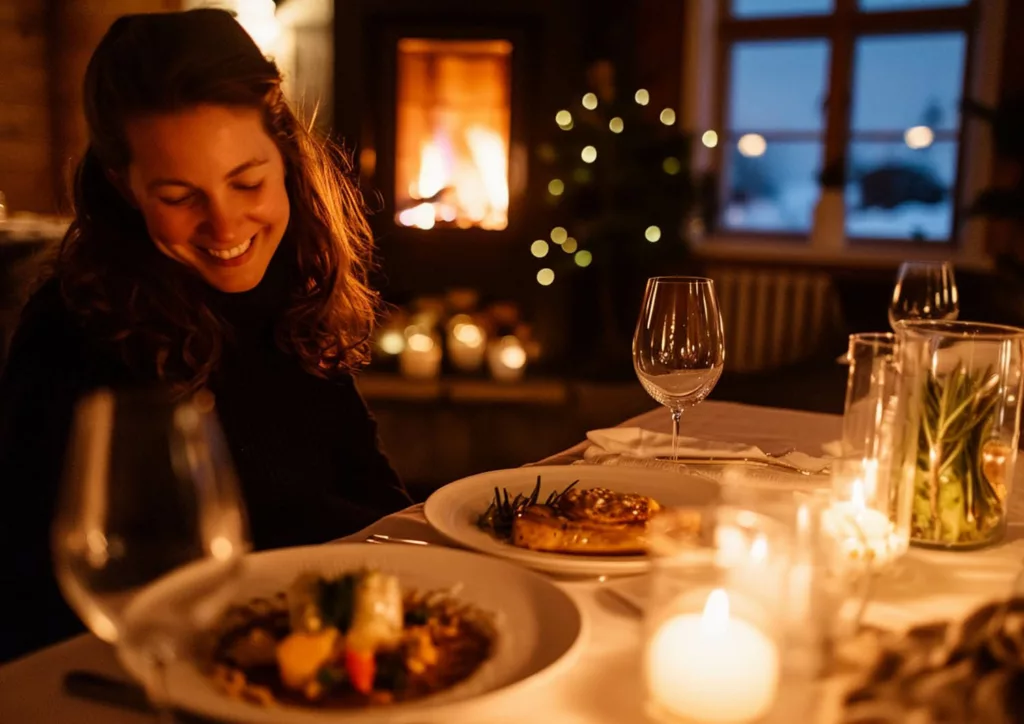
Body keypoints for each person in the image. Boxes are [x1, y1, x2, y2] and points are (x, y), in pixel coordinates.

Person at [0, 8, 411, 661]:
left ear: (283, 155)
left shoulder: (292, 276)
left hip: (330, 643)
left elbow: (365, 486)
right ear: (124, 187)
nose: (224, 228)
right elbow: (34, 592)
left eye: (245, 182)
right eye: (178, 195)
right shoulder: (73, 332)